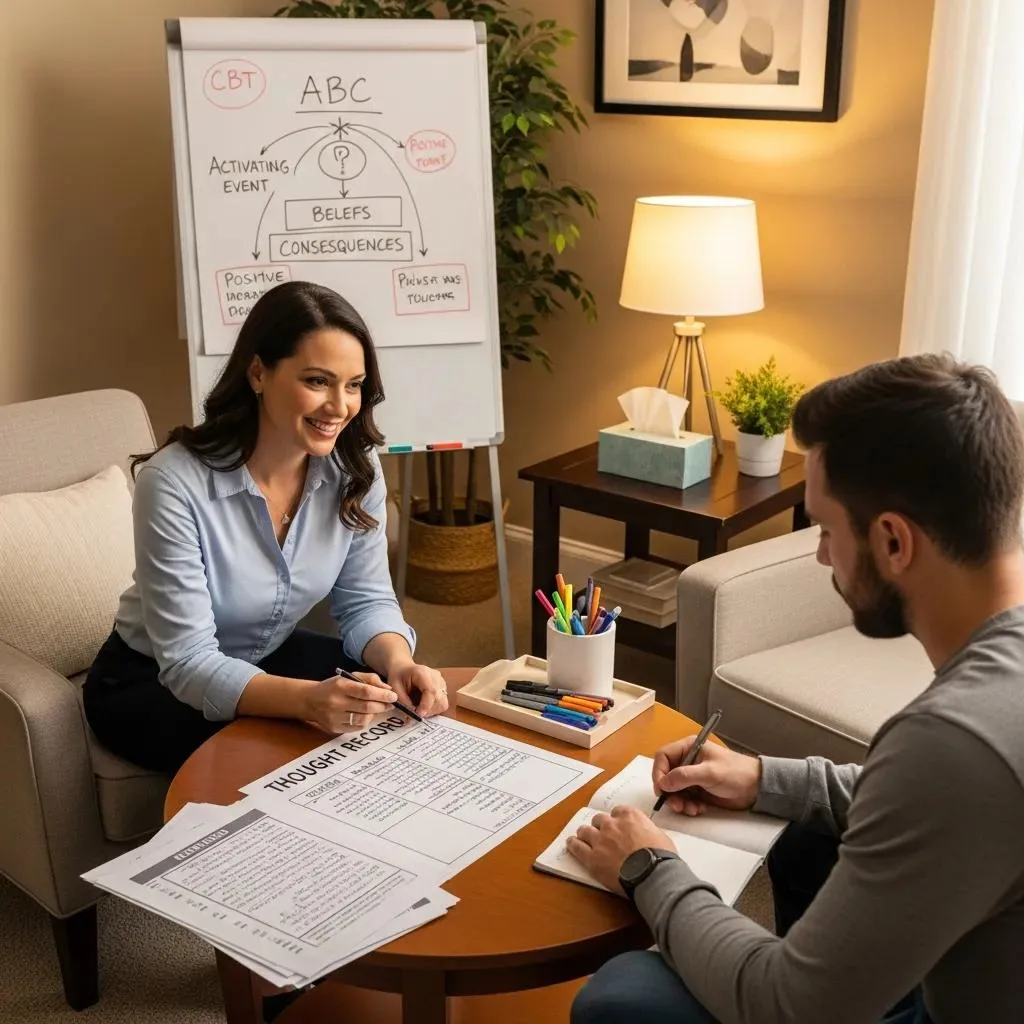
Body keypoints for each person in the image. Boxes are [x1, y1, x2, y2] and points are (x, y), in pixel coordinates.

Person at [567, 353, 1024, 1024]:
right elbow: (926, 809)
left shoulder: (956, 741)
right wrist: (759, 778)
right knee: (803, 830)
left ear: (894, 541)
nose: (819, 556)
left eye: (826, 529)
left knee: (623, 998)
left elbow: (786, 1004)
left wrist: (649, 870)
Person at [83, 281, 448, 775]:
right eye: (317, 381)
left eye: (354, 384)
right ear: (258, 372)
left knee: (392, 715)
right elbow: (189, 661)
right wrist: (306, 702)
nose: (340, 406)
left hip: (267, 654)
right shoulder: (171, 482)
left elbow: (366, 600)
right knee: (295, 759)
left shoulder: (355, 468)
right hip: (151, 682)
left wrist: (399, 662)